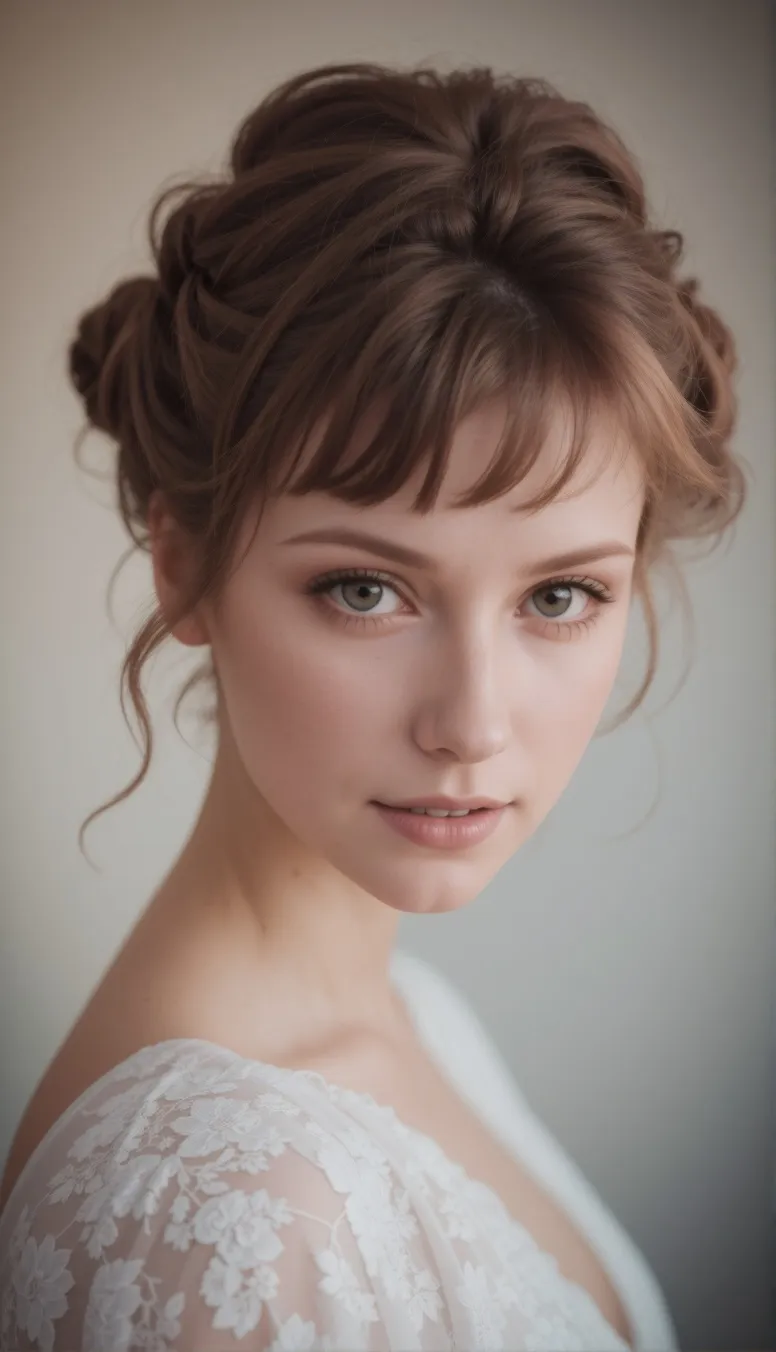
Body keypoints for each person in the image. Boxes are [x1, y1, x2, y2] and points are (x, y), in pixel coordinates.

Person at [0, 59, 744, 1352]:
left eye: (559, 598)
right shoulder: (222, 1216)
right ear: (183, 562)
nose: (471, 722)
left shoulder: (417, 1019)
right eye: (365, 589)